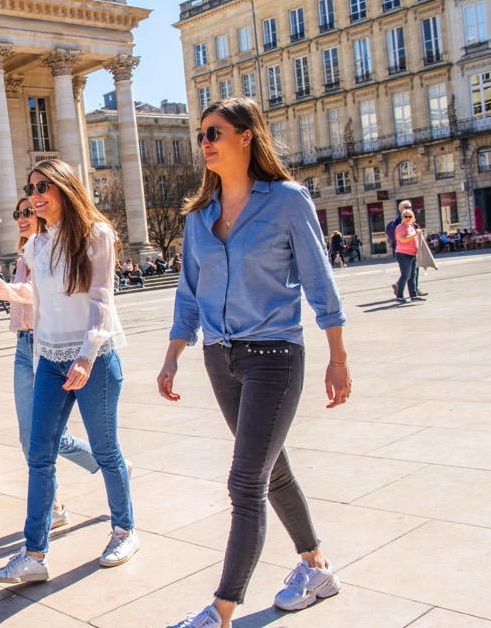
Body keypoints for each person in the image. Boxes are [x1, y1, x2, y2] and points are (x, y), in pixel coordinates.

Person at [158, 98, 351, 628]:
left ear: (246, 136)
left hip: (274, 355)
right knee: (274, 470)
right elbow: (188, 293)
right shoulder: (198, 217)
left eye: (215, 132)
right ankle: (316, 567)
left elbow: (319, 281)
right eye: (201, 135)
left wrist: (338, 358)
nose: (206, 142)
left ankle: (221, 610)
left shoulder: (287, 201)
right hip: (221, 358)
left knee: (246, 483)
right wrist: (174, 354)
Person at [0, 159, 137, 584]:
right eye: (31, 187)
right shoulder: (36, 245)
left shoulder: (96, 235)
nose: (34, 196)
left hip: (94, 358)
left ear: (65, 188)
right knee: (39, 455)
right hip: (50, 361)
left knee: (106, 451)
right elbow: (29, 294)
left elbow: (101, 299)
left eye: (43, 186)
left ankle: (124, 530)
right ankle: (34, 553)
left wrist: (88, 355)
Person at [0, 196, 104, 532]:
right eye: (17, 212)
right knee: (32, 437)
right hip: (24, 346)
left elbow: (30, 294)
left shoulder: (49, 253)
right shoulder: (26, 253)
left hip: (46, 346)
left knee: (43, 437)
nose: (20, 217)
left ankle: (106, 464)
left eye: (27, 212)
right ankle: (65, 499)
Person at [387, 201, 427, 298]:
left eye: (410, 207)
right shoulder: (396, 224)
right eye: (406, 207)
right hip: (403, 251)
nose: (408, 209)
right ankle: (401, 294)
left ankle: (413, 292)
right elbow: (399, 238)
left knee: (413, 273)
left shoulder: (412, 224)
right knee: (406, 274)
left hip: (412, 252)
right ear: (400, 209)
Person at [394, 209, 424, 304]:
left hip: (412, 254)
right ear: (402, 217)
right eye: (405, 216)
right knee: (405, 275)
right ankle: (399, 297)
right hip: (403, 254)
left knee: (413, 275)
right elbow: (402, 240)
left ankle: (413, 295)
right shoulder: (400, 227)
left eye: (409, 216)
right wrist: (415, 234)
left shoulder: (412, 226)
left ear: (413, 217)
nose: (407, 218)